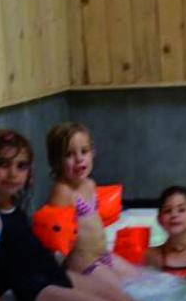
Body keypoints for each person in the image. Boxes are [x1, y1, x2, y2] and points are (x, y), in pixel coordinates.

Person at [0, 129, 136, 301]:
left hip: (55, 275)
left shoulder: (11, 205)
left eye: (21, 166)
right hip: (36, 291)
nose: (12, 173)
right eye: (2, 164)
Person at [45, 122, 140, 289]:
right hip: (83, 264)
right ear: (56, 161)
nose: (79, 159)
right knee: (124, 293)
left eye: (84, 151)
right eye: (69, 154)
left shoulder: (89, 184)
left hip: (102, 255)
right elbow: (54, 240)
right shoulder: (63, 192)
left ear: (92, 152)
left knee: (142, 280)